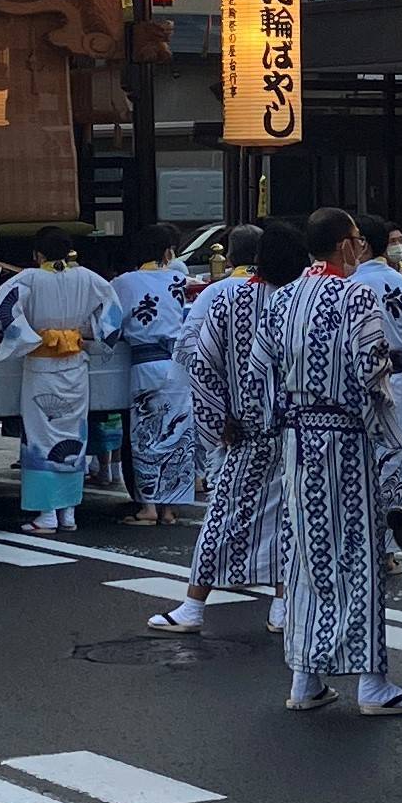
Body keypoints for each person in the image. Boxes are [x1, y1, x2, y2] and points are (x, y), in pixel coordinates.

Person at [252, 211, 402, 717]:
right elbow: (373, 374)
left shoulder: (284, 298)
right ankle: (372, 682)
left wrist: (275, 424)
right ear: (345, 246)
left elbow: (261, 370)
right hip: (344, 440)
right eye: (355, 240)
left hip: (296, 439)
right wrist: (390, 434)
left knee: (306, 555)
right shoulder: (357, 297)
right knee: (359, 553)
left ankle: (305, 677)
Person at [151, 224, 278, 631]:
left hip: (237, 426)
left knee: (223, 515)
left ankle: (194, 604)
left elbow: (192, 351)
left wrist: (214, 416)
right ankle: (281, 604)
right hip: (286, 426)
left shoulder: (220, 293)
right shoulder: (290, 296)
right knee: (285, 518)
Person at [0, 229, 106, 534]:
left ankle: (47, 512)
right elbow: (112, 314)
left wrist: (26, 338)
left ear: (37, 255)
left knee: (41, 439)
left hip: (41, 363)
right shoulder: (89, 278)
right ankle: (68, 512)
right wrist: (93, 335)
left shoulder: (27, 279)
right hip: (76, 366)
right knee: (73, 437)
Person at [99, 225, 196, 526]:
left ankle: (148, 507)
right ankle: (169, 509)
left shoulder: (124, 282)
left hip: (145, 362)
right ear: (168, 251)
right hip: (178, 365)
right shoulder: (182, 280)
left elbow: (108, 328)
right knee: (177, 434)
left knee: (146, 434)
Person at [349, 215, 402, 518]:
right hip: (398, 378)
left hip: (357, 382)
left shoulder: (349, 284)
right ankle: (388, 532)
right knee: (394, 453)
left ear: (363, 245)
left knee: (360, 455)